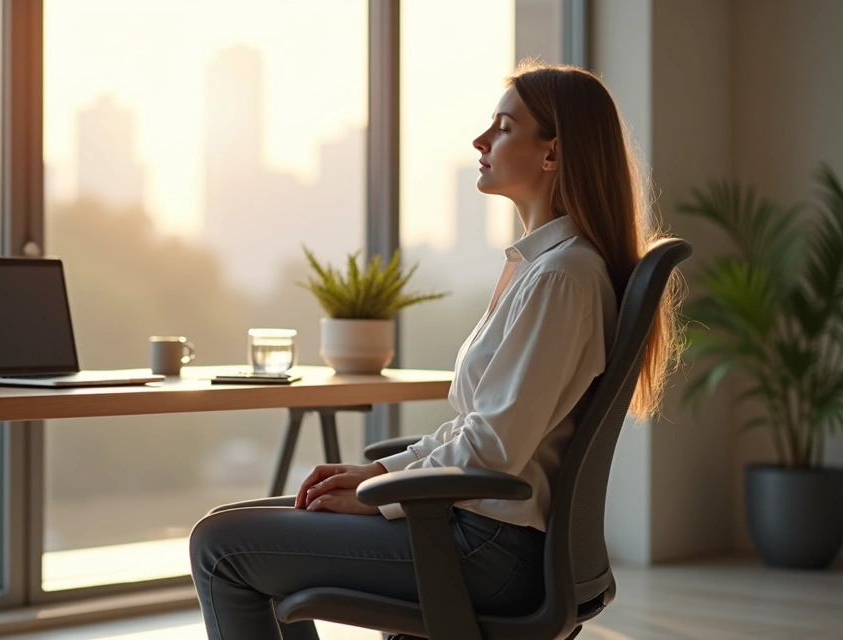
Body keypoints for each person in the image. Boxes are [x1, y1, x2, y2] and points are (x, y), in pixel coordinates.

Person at [188, 60, 684, 640]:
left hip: (490, 550)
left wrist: (378, 496)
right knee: (242, 524)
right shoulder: (544, 269)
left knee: (220, 547)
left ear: (552, 153)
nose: (481, 140)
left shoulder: (561, 278)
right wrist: (378, 472)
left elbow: (492, 449)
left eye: (502, 127)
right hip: (482, 534)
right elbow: (480, 428)